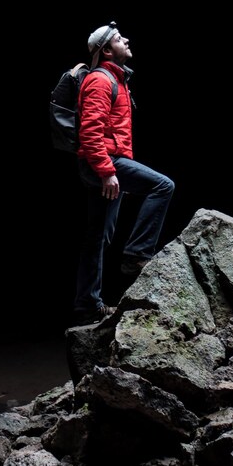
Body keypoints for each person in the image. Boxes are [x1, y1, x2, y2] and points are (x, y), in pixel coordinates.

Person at [73, 21, 175, 326]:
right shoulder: (101, 81)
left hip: (107, 161)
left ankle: (87, 306)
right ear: (106, 49)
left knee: (98, 237)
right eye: (119, 38)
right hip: (103, 161)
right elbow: (90, 133)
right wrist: (108, 172)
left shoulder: (116, 79)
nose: (126, 40)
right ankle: (136, 254)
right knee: (163, 186)